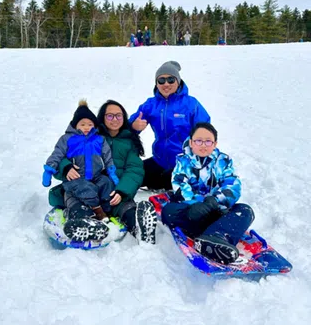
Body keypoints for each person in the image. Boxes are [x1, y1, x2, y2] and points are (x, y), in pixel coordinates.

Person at [161, 122, 255, 265]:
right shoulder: (183, 161)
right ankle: (214, 233)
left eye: (208, 141)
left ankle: (216, 237)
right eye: (198, 141)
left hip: (216, 211)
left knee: (245, 211)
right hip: (192, 212)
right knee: (168, 211)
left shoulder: (223, 161)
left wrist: (214, 202)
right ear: (191, 143)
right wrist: (196, 204)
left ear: (214, 143)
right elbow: (180, 185)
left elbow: (232, 185)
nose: (203, 145)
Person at [42, 99, 119, 241]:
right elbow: (57, 154)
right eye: (82, 124)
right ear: (75, 125)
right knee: (84, 191)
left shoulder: (99, 140)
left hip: (96, 176)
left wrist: (111, 172)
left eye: (90, 124)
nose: (86, 127)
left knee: (107, 184)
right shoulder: (67, 139)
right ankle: (89, 219)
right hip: (76, 179)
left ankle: (107, 213)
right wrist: (49, 169)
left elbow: (107, 156)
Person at [129, 61, 210, 191]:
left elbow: (206, 133)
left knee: (170, 181)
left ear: (178, 81)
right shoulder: (151, 104)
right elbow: (126, 129)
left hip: (184, 164)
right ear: (156, 83)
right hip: (159, 160)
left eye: (171, 80)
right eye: (161, 80)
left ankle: (167, 183)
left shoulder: (191, 104)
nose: (166, 84)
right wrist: (134, 126)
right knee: (132, 175)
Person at [96, 100, 158, 243]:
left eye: (118, 116)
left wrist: (122, 191)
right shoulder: (92, 138)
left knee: (127, 208)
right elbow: (66, 157)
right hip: (93, 190)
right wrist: (67, 168)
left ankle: (139, 228)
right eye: (110, 116)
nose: (114, 119)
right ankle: (87, 227)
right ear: (102, 118)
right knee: (82, 202)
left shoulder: (129, 141)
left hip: (116, 193)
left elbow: (134, 170)